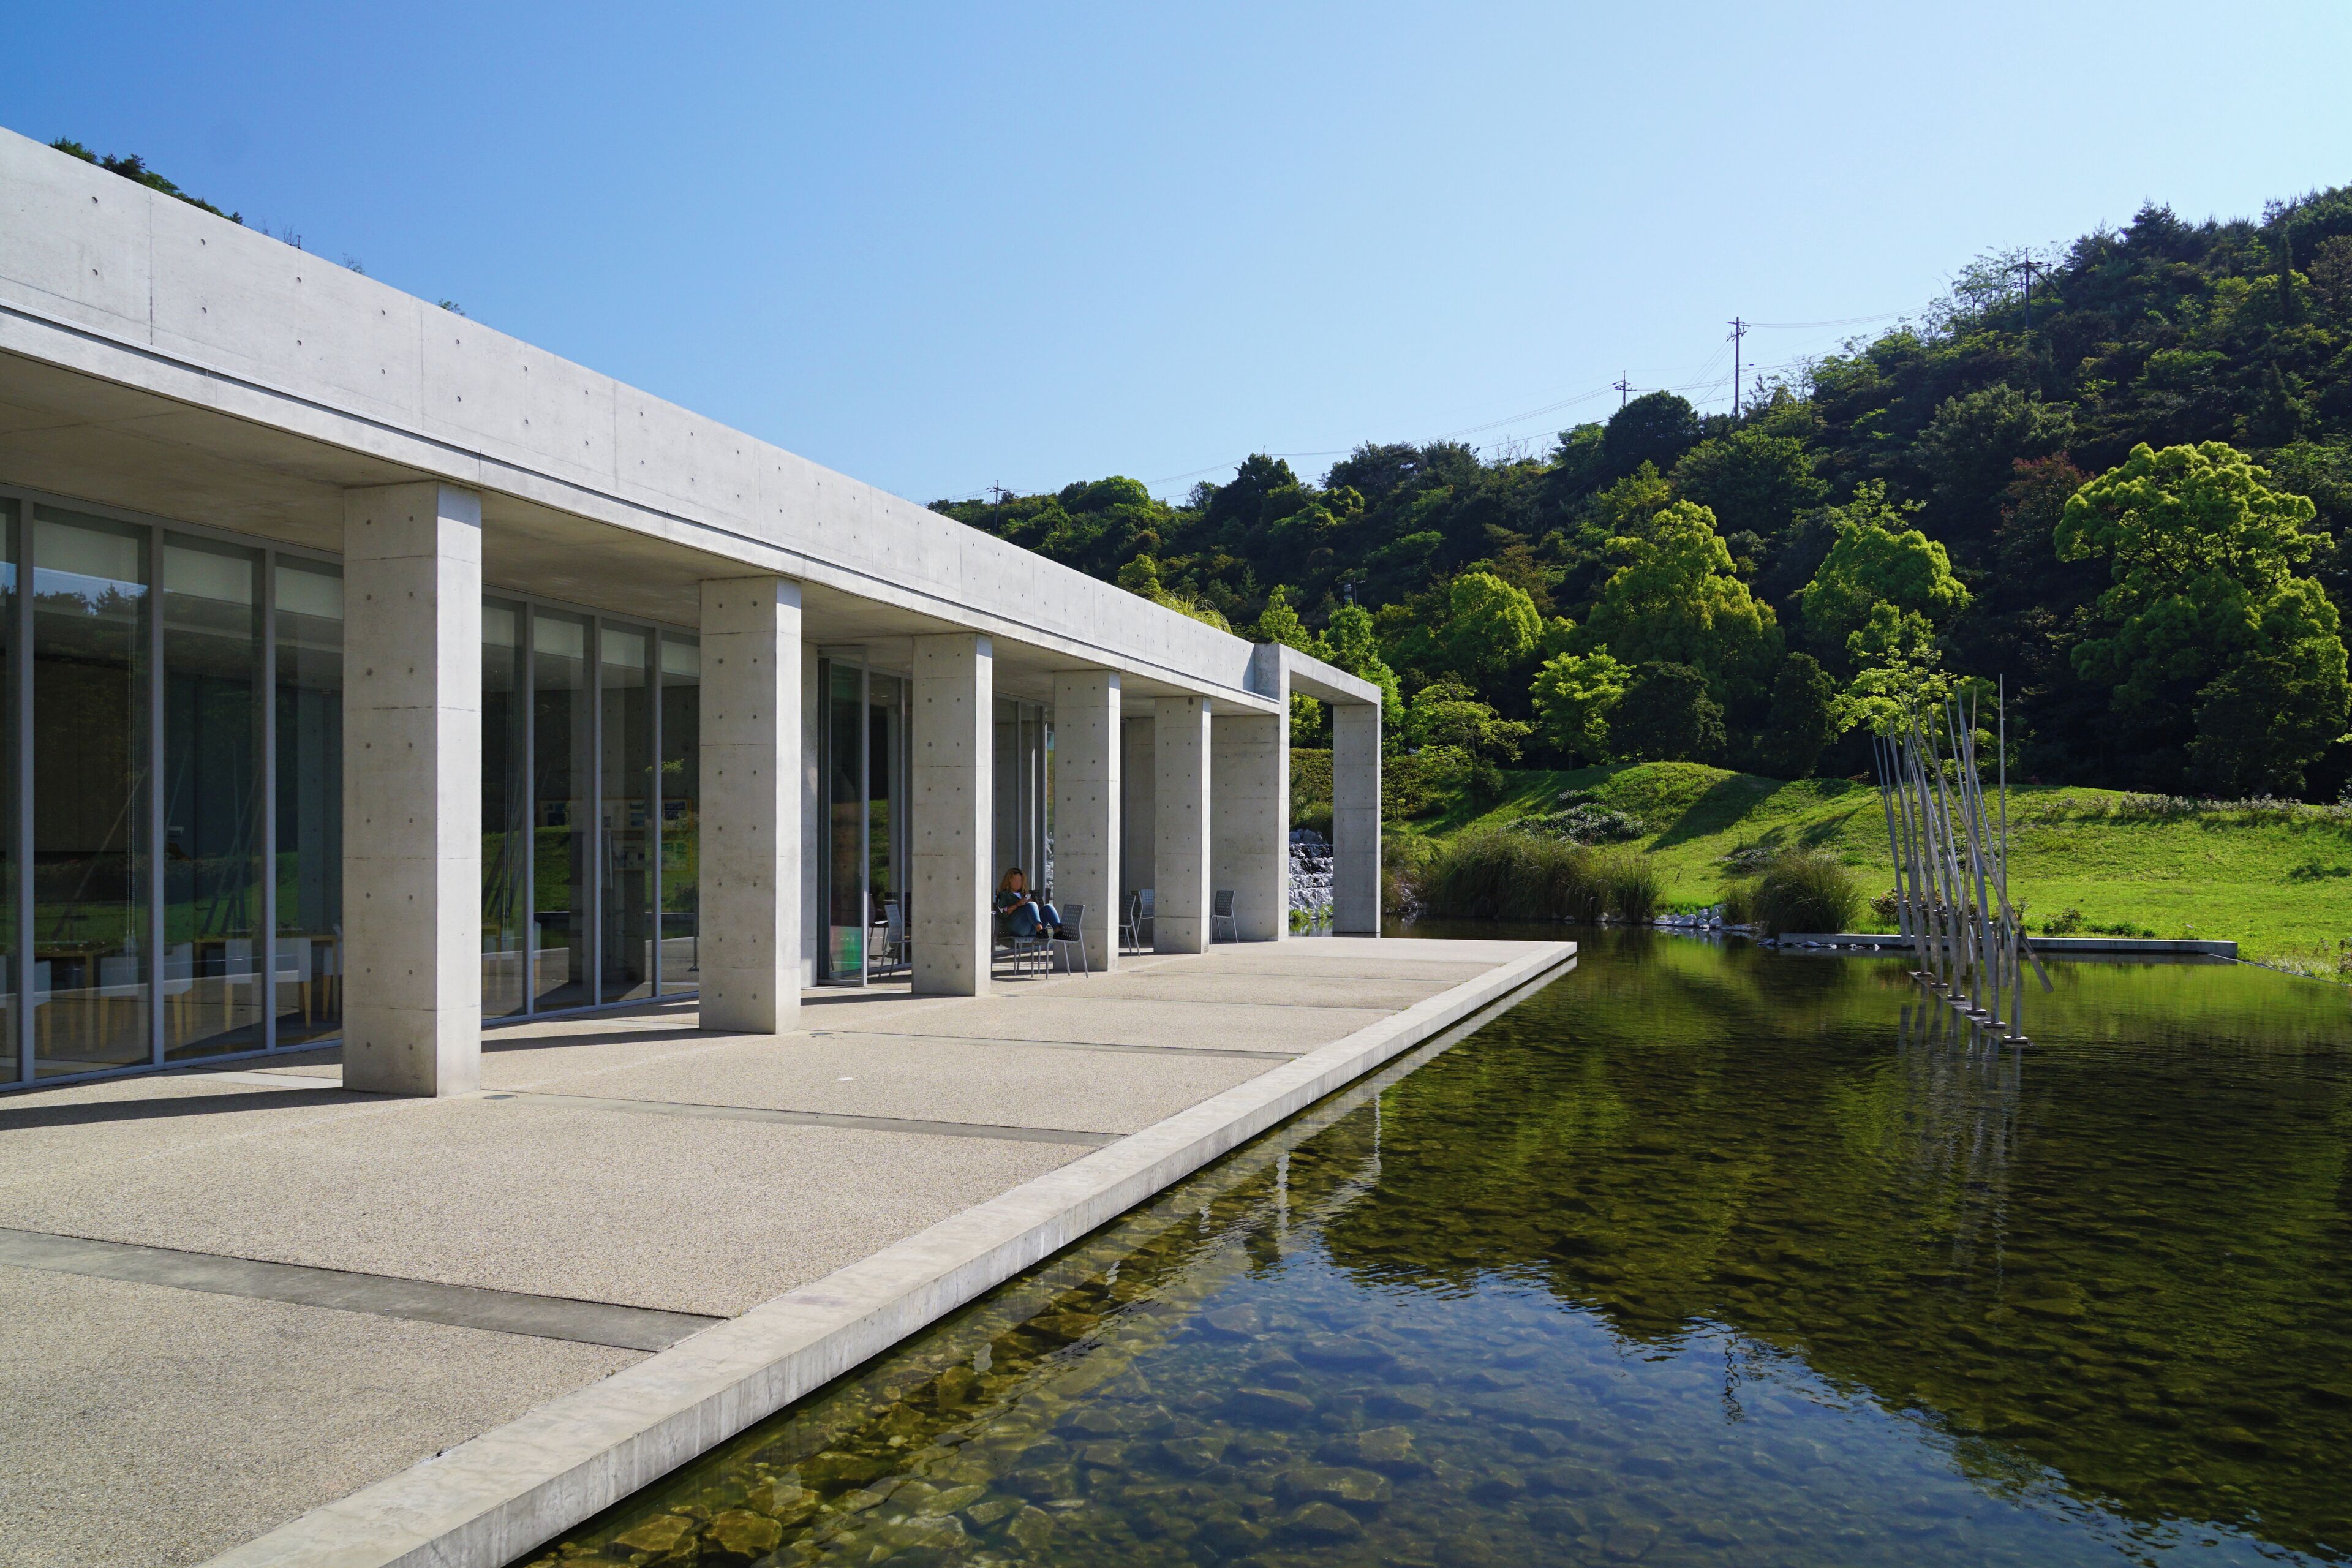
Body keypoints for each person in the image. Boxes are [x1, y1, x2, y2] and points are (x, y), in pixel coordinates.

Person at [995, 867, 1066, 940]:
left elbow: (1035, 912)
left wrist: (1030, 904)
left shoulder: (1023, 894)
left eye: (1020, 880)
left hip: (1031, 928)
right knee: (1031, 905)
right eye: (1015, 880)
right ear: (1009, 881)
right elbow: (1002, 914)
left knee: (1048, 907)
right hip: (1016, 928)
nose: (1018, 883)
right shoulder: (1003, 895)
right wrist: (1017, 905)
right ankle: (1040, 930)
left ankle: (1058, 933)